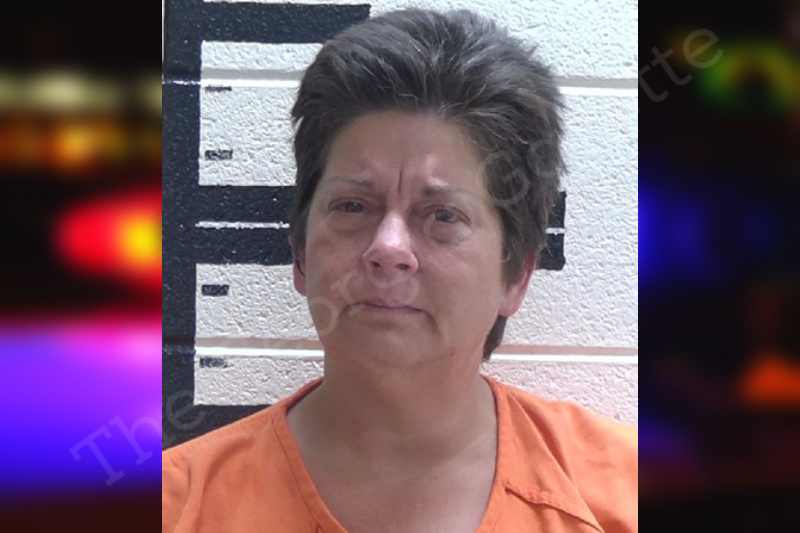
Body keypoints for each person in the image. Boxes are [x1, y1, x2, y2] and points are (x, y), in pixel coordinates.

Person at [162, 8, 637, 533]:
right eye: (353, 206)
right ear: (300, 254)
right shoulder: (176, 505)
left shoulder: (627, 495)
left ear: (517, 276)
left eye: (443, 216)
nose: (388, 249)